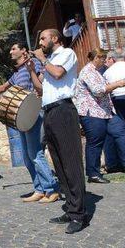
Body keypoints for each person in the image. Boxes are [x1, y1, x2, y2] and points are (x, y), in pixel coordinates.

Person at [0, 43, 59, 203]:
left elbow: (42, 81)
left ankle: (52, 189)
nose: (10, 51)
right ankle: (39, 189)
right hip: (20, 116)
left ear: (23, 51)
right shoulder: (16, 73)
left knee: (35, 153)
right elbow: (3, 87)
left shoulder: (34, 63)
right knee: (27, 156)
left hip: (33, 113)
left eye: (13, 48)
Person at [28, 29, 86, 234]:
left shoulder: (67, 54)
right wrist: (31, 71)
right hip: (50, 111)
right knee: (59, 164)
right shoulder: (50, 59)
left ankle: (79, 214)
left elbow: (59, 73)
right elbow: (40, 88)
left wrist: (42, 59)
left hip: (64, 109)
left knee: (71, 162)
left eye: (43, 37)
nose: (40, 41)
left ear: (54, 38)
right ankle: (71, 209)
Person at [74, 49, 125, 184]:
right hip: (92, 112)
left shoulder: (97, 72)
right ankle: (93, 173)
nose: (104, 60)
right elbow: (98, 91)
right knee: (95, 142)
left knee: (121, 129)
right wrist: (117, 84)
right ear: (95, 58)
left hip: (104, 111)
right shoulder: (88, 71)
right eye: (102, 58)